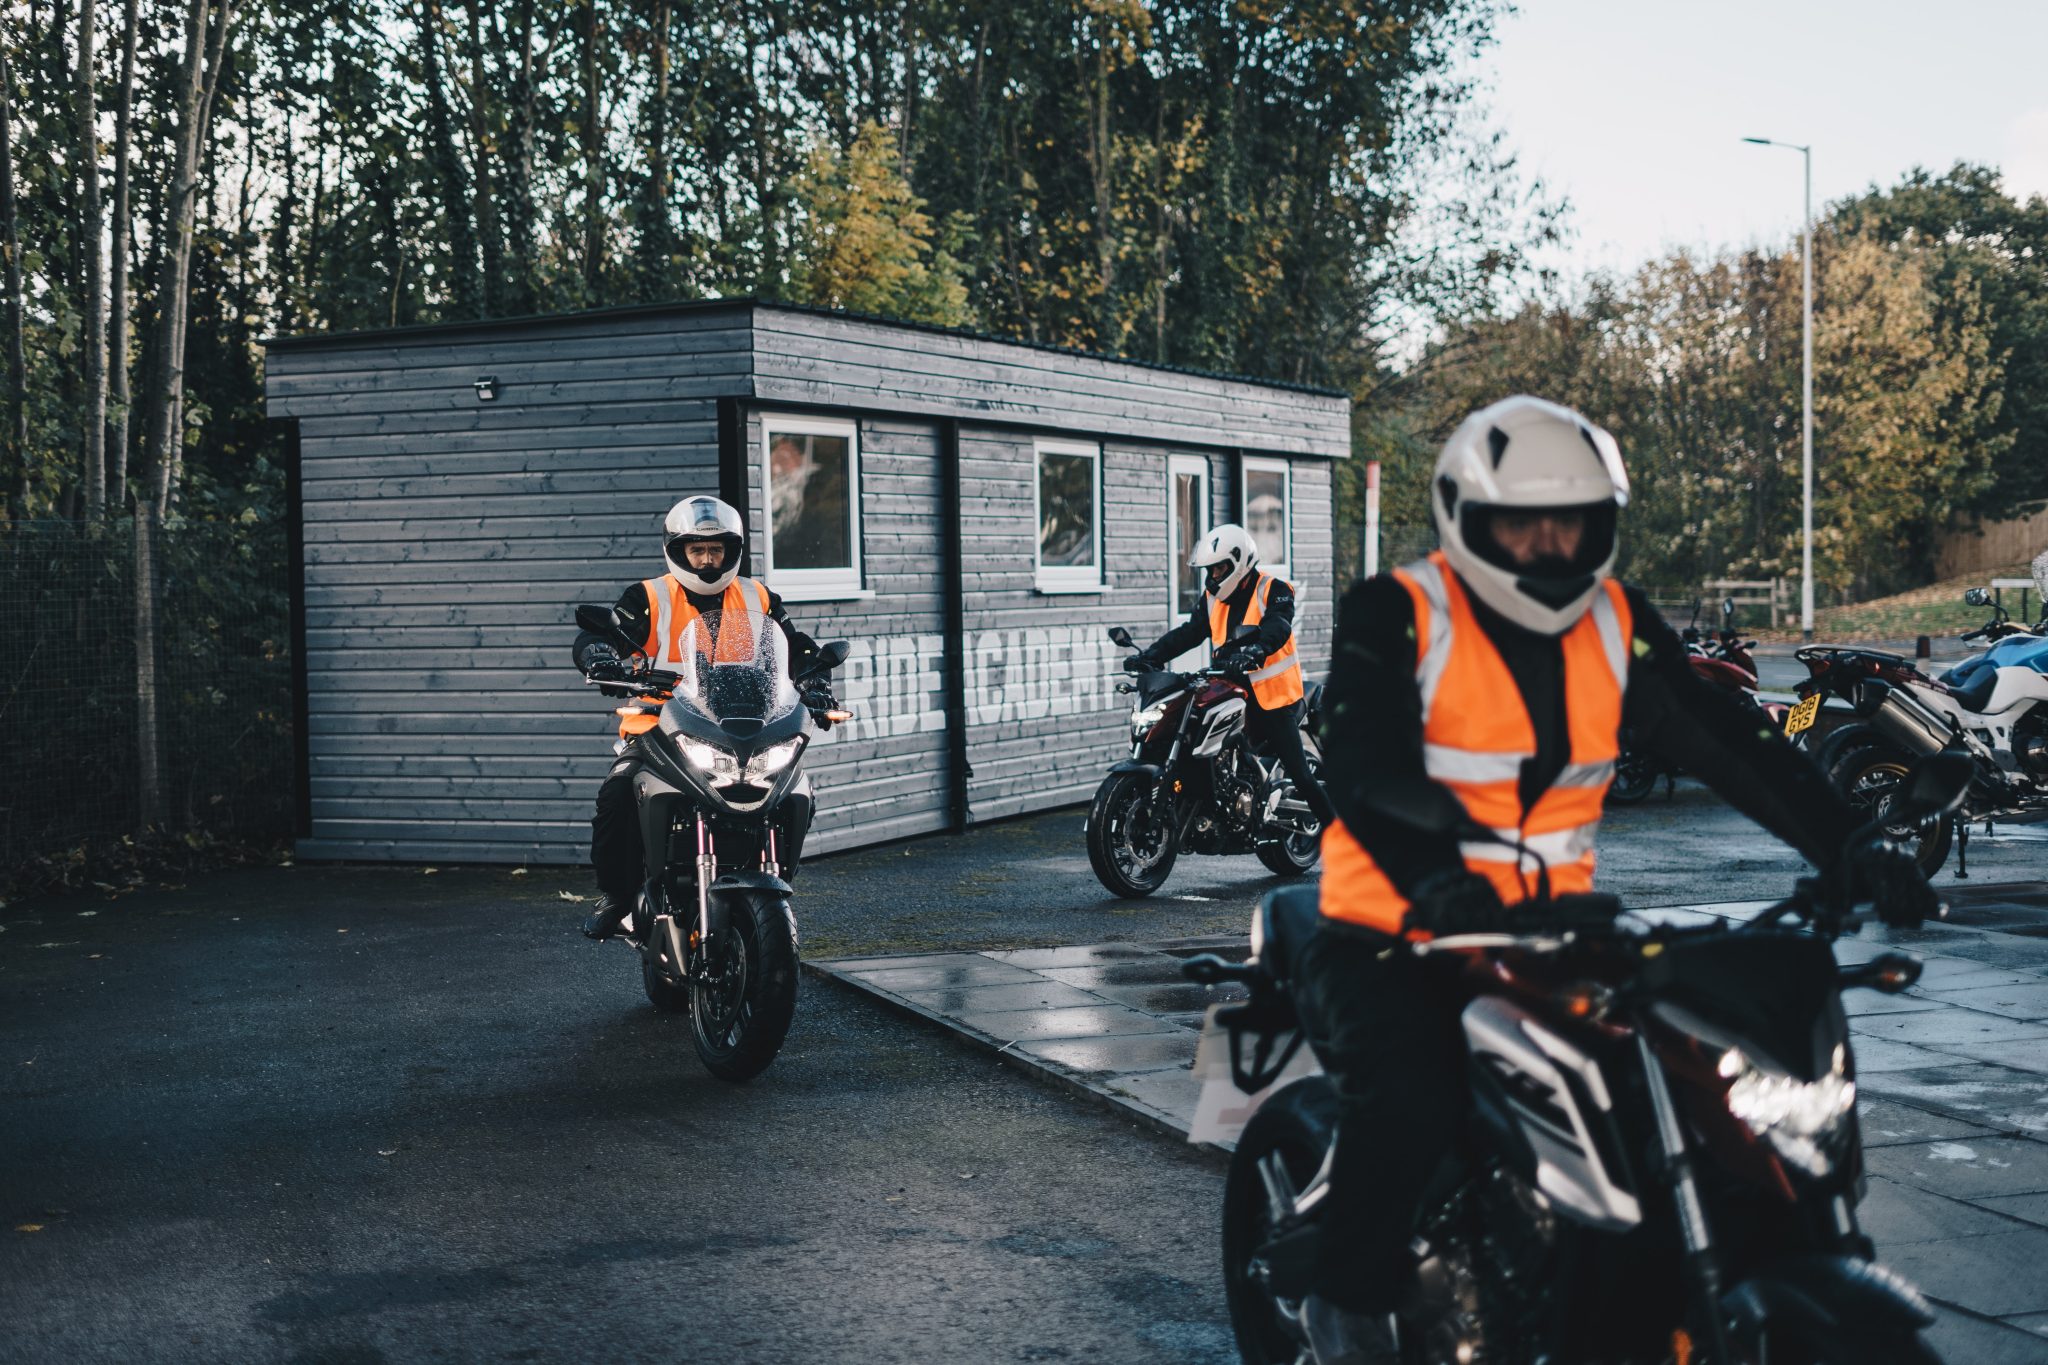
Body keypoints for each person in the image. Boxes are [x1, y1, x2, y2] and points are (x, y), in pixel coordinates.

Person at [1296, 396, 1939, 1362]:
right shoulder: (1398, 611)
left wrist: (1854, 845)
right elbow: (1365, 765)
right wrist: (1437, 880)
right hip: (1398, 930)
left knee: (1676, 1091)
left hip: (1561, 931)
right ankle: (1342, 1307)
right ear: (1464, 517)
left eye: (1576, 522)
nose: (1552, 545)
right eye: (1524, 524)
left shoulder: (1616, 620)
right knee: (1412, 1100)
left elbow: (1727, 738)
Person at [576, 495, 837, 941]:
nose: (708, 559)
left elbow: (794, 646)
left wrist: (814, 680)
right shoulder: (649, 597)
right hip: (658, 727)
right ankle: (618, 897)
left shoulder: (756, 596)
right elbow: (605, 633)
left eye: (717, 549)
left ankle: (773, 874)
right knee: (617, 792)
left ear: (732, 550)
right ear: (678, 551)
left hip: (742, 727)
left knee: (796, 788)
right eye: (697, 550)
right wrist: (599, 655)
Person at [1125, 523, 1335, 829]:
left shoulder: (1273, 590)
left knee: (1300, 773)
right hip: (1230, 688)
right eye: (1209, 570)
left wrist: (1257, 649)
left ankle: (1340, 837)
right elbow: (1189, 633)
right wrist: (1150, 656)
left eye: (1219, 569)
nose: (1212, 577)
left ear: (1239, 563)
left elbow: (1278, 625)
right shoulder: (1213, 598)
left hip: (1274, 697)